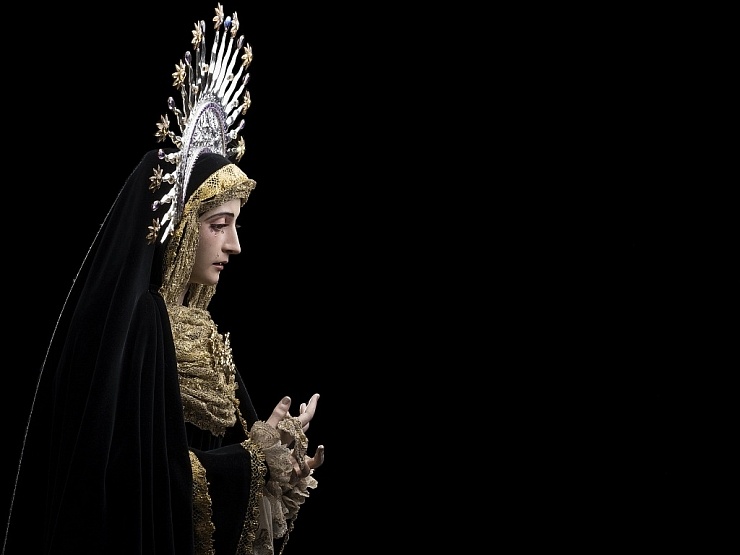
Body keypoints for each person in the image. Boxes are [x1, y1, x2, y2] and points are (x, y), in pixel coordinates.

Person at [2, 4, 324, 554]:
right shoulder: (139, 329)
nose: (234, 244)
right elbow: (136, 483)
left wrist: (279, 462)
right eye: (218, 225)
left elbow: (227, 454)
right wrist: (254, 463)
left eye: (236, 225)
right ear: (178, 232)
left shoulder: (199, 333)